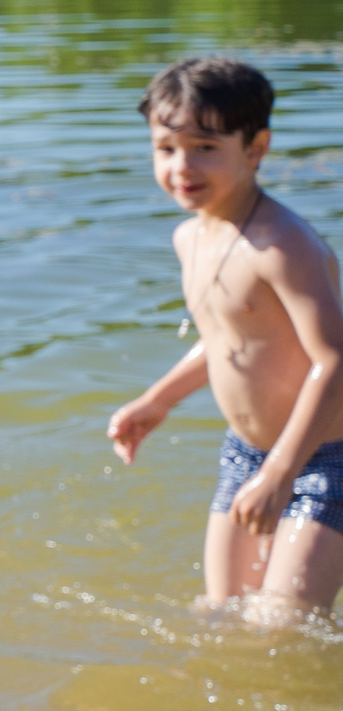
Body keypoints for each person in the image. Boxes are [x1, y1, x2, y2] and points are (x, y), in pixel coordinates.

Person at [108, 57, 343, 624]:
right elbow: (225, 337)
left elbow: (335, 360)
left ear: (256, 148)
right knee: (221, 611)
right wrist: (159, 399)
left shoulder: (282, 247)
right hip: (246, 455)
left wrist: (282, 472)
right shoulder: (190, 237)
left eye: (205, 147)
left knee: (282, 624)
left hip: (322, 459)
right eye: (166, 148)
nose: (182, 166)